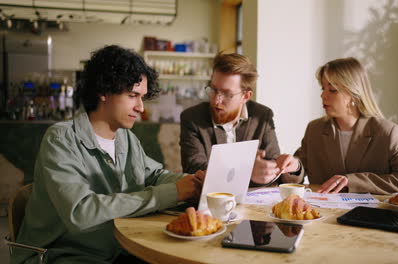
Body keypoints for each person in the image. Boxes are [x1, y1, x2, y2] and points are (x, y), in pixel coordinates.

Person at [11, 45, 203, 264]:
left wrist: (194, 181)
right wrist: (172, 193)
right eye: (132, 96)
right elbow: (81, 212)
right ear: (103, 91)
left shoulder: (125, 138)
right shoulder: (61, 139)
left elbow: (153, 175)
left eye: (142, 97)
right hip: (61, 255)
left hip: (113, 248)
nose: (140, 107)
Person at [276, 57, 398, 194]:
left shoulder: (386, 131)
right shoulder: (315, 129)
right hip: (322, 214)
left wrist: (352, 182)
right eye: (323, 88)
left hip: (372, 217)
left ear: (353, 93)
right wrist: (294, 167)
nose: (323, 95)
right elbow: (298, 174)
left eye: (332, 90)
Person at [179, 53, 303, 187]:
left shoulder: (262, 116)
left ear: (246, 96)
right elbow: (194, 169)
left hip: (254, 204)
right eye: (214, 90)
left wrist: (295, 168)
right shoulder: (192, 118)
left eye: (227, 94)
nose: (216, 100)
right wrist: (245, 171)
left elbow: (274, 169)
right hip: (209, 202)